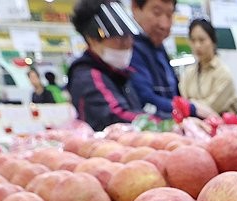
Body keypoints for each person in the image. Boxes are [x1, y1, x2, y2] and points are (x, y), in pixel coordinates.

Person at [68, 0, 147, 131]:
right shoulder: (88, 76)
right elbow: (115, 116)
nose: (128, 44)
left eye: (129, 36)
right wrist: (161, 121)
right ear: (92, 40)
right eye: (120, 39)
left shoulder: (118, 73)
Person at [180, 16, 237, 116]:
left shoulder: (223, 72)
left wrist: (190, 104)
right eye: (193, 40)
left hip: (222, 129)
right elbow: (182, 102)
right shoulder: (189, 73)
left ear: (213, 41)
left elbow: (211, 107)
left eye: (202, 40)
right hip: (193, 127)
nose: (197, 45)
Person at [129, 0, 179, 117]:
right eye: (157, 13)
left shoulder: (159, 47)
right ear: (135, 7)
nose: (164, 24)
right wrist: (190, 108)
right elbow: (145, 98)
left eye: (169, 15)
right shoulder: (129, 49)